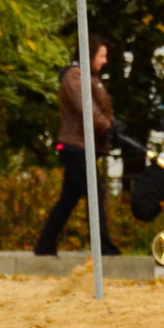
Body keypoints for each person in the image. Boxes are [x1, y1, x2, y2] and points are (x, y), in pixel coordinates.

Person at [32, 36, 121, 257]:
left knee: (69, 199)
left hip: (82, 146)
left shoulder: (87, 76)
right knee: (95, 194)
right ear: (89, 55)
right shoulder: (74, 77)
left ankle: (45, 245)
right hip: (76, 147)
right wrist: (107, 126)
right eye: (101, 56)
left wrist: (112, 124)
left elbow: (97, 107)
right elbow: (87, 107)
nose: (104, 61)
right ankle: (104, 247)